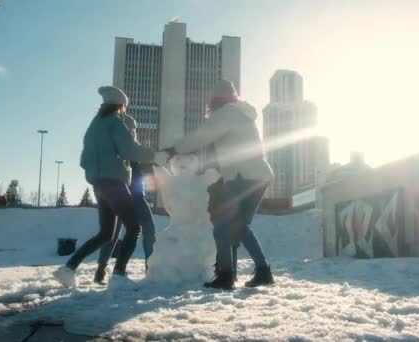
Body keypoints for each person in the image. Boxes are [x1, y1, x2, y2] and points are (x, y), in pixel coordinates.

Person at [163, 79, 275, 289]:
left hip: (243, 176)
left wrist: (173, 150)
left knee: (224, 225)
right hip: (259, 175)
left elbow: (200, 137)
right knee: (239, 227)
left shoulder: (227, 113)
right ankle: (262, 271)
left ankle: (226, 275)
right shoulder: (242, 114)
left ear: (215, 100)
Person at [52, 86, 169, 288]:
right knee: (134, 227)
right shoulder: (115, 122)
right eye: (123, 106)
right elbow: (129, 149)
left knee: (106, 234)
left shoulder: (94, 125)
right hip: (114, 183)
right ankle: (119, 274)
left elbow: (83, 160)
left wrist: (99, 170)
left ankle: (68, 269)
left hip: (98, 184)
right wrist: (154, 156)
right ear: (119, 105)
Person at [93, 114, 157, 284]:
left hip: (137, 196)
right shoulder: (117, 149)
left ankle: (151, 268)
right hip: (121, 196)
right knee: (113, 235)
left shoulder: (136, 150)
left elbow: (150, 167)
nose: (132, 132)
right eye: (129, 129)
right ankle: (102, 270)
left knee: (148, 229)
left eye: (134, 129)